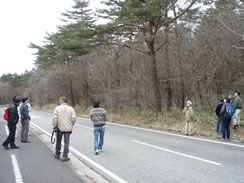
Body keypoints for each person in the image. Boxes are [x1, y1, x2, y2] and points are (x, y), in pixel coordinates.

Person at [52, 97, 76, 161]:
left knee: (58, 141)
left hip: (59, 127)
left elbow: (55, 118)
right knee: (66, 142)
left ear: (61, 101)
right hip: (68, 128)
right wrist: (71, 125)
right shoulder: (71, 109)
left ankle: (57, 154)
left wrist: (54, 126)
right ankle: (65, 156)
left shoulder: (57, 108)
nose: (59, 101)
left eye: (59, 100)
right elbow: (74, 118)